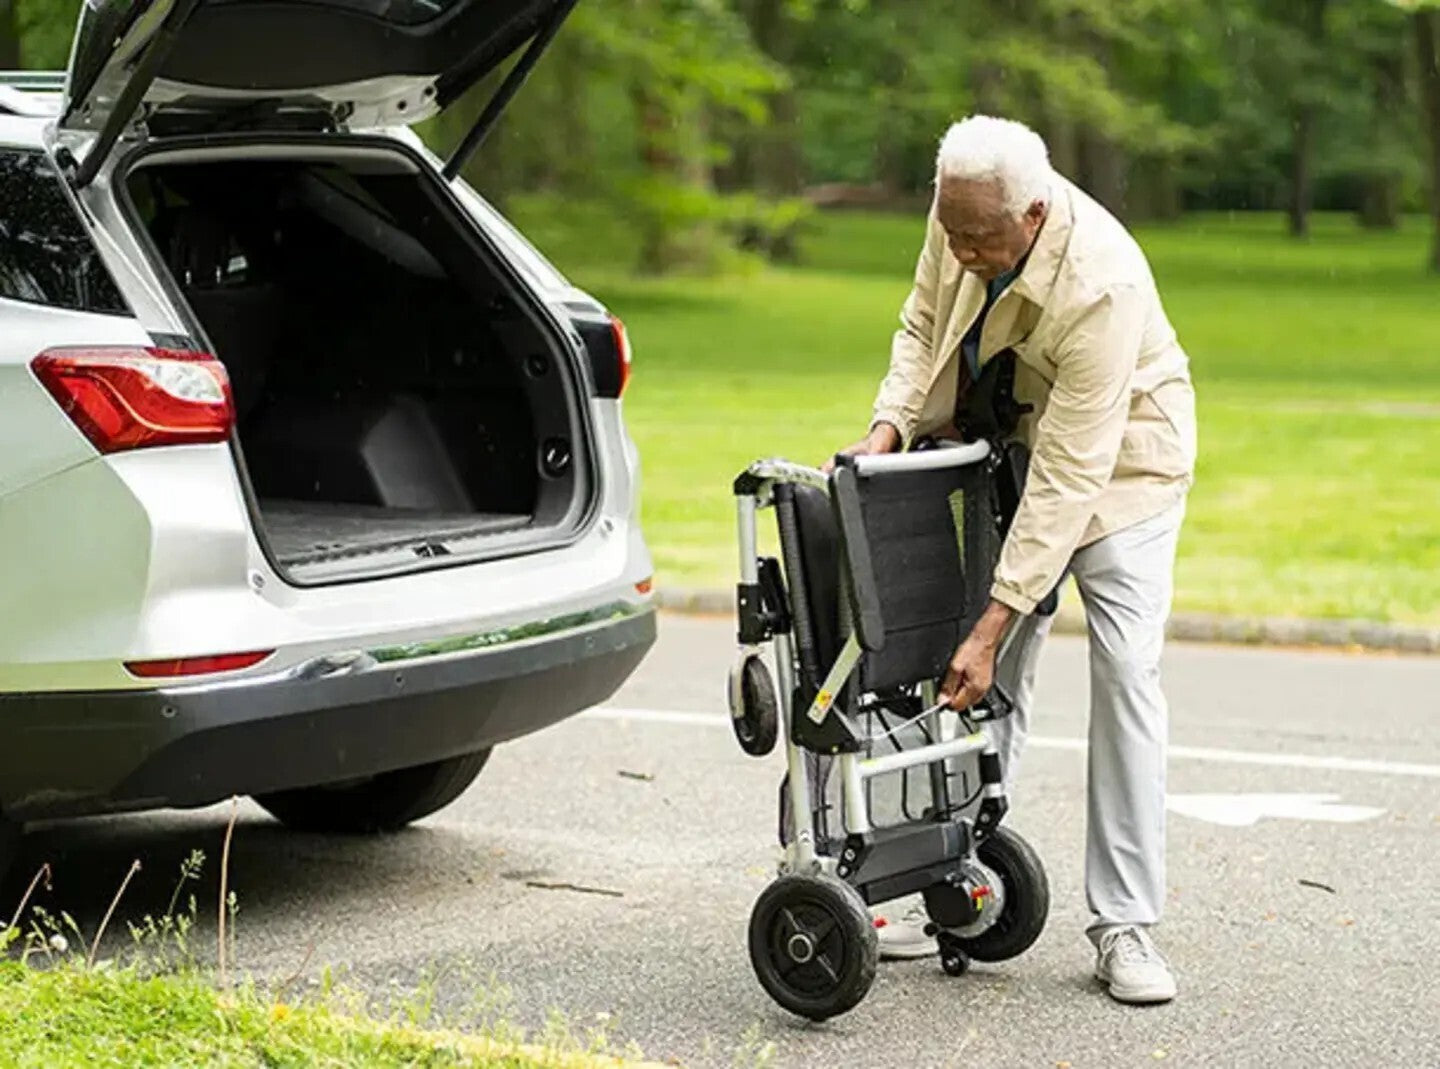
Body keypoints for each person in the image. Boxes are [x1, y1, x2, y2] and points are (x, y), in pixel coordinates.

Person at [827, 115, 1197, 1004]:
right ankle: (948, 879)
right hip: (1013, 441)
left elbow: (1072, 479)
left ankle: (1125, 925)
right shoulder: (965, 208)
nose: (962, 248)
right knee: (981, 678)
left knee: (1124, 668)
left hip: (1126, 464)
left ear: (1032, 214)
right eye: (950, 228)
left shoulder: (1101, 281)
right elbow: (922, 323)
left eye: (980, 238)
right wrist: (888, 428)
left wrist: (998, 617)